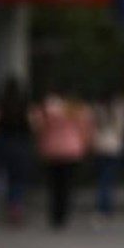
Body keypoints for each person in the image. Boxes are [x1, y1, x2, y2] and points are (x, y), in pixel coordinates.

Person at [34, 88, 91, 230]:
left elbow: (38, 126)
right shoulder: (77, 109)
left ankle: (55, 214)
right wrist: (85, 145)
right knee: (67, 185)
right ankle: (64, 214)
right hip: (71, 149)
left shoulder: (47, 107)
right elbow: (85, 129)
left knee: (54, 185)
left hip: (51, 149)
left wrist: (39, 145)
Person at [0, 78, 33, 228]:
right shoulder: (24, 106)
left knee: (2, 176)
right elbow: (32, 125)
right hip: (21, 143)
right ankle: (15, 207)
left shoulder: (2, 105)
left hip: (3, 142)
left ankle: (3, 205)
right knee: (18, 178)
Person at [90, 90, 124, 224]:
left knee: (102, 178)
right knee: (109, 178)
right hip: (114, 146)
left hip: (100, 145)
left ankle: (102, 207)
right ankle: (107, 206)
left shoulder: (97, 108)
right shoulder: (119, 108)